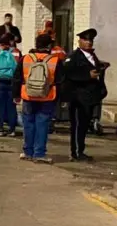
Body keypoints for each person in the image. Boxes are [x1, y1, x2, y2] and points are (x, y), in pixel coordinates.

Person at [13, 33, 64, 164]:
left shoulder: (26, 58)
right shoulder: (55, 60)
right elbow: (60, 81)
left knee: (28, 124)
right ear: (49, 46)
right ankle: (39, 153)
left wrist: (16, 95)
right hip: (47, 96)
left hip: (28, 95)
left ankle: (27, 152)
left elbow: (17, 78)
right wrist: (60, 99)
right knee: (42, 124)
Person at [64, 29, 109, 162]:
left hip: (89, 97)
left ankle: (80, 150)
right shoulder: (73, 56)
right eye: (86, 40)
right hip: (78, 97)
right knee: (78, 125)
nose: (89, 43)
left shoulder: (92, 56)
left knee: (84, 125)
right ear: (80, 41)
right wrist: (86, 75)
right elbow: (67, 73)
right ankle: (76, 152)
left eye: (90, 40)